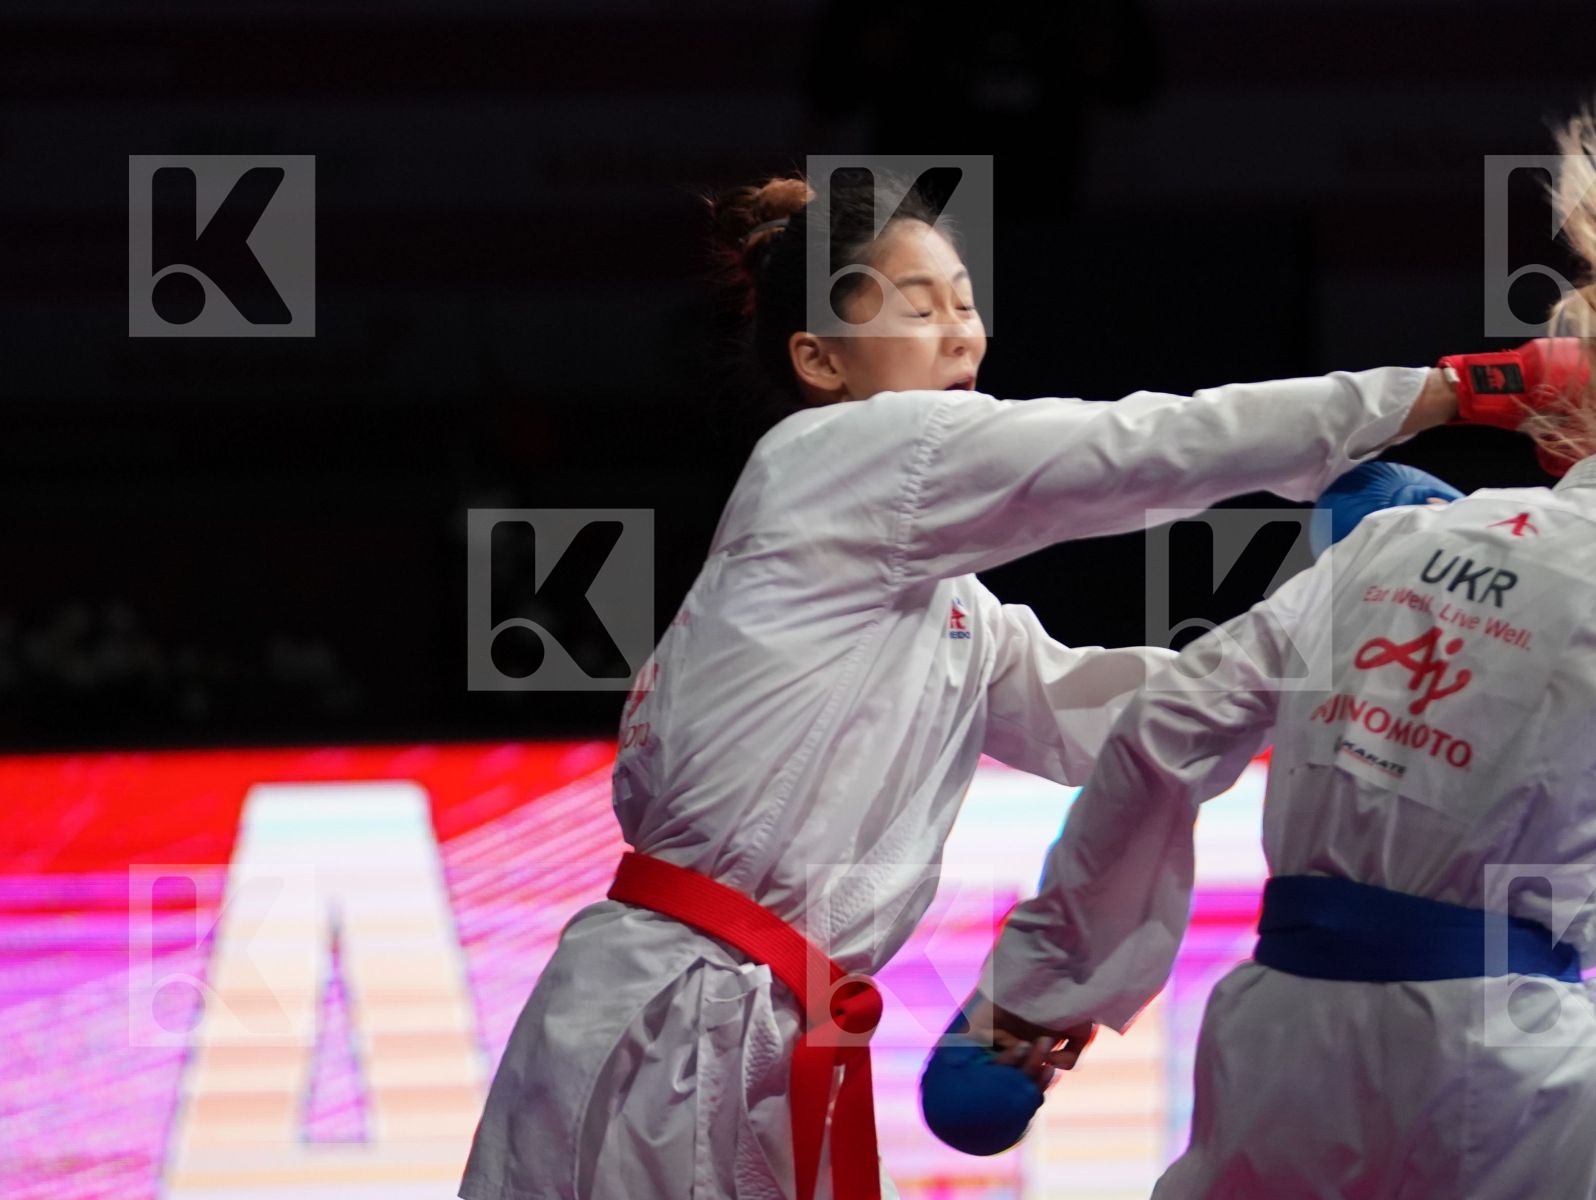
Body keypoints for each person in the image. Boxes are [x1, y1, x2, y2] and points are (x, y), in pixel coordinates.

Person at [457, 166, 1508, 1200]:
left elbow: (1128, 720)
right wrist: (1445, 392)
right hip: (668, 1024)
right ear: (820, 361)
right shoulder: (827, 456)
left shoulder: (943, 605)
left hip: (763, 1030)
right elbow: (1141, 449)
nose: (963, 332)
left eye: (967, 304)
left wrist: (1338, 630)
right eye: (921, 308)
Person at [960, 110, 1596, 1198]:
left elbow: (1163, 735)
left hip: (1277, 1028)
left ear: (1561, 406)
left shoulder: (1393, 541)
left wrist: (1038, 991)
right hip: (1496, 1049)